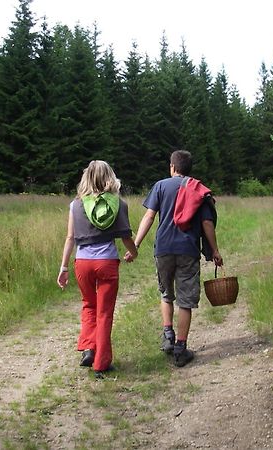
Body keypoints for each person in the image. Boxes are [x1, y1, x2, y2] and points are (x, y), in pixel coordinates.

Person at [125, 150, 223, 367]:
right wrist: (214, 250)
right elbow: (207, 224)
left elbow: (149, 217)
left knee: (166, 293)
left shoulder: (161, 186)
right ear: (189, 168)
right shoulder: (198, 189)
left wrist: (136, 244)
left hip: (164, 249)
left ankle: (168, 336)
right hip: (188, 249)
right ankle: (180, 349)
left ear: (172, 167)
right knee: (186, 300)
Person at [57, 160, 138, 379]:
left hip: (82, 262)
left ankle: (88, 348)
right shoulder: (118, 204)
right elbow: (126, 236)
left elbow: (70, 238)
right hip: (107, 263)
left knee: (89, 306)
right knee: (104, 313)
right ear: (110, 177)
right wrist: (134, 251)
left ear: (86, 178)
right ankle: (101, 363)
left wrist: (64, 267)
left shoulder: (76, 205)